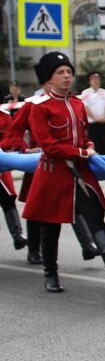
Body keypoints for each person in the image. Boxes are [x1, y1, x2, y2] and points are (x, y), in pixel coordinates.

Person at [22, 52, 105, 291]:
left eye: (69, 72)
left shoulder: (77, 104)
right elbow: (48, 144)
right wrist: (80, 152)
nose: (66, 76)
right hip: (54, 174)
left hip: (79, 175)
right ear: (49, 79)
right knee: (51, 227)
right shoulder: (39, 107)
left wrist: (89, 145)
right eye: (60, 72)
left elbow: (83, 136)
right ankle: (51, 274)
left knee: (95, 215)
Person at [2, 80, 101, 265]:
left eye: (68, 74)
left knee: (72, 203)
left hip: (69, 162)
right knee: (38, 209)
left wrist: (85, 147)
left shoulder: (72, 103)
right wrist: (24, 150)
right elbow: (13, 133)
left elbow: (81, 133)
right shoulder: (33, 105)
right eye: (56, 76)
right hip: (41, 164)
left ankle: (87, 245)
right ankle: (33, 250)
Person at [0, 101, 27, 250]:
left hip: (0, 164)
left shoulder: (3, 116)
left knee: (7, 198)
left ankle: (17, 235)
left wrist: (2, 147)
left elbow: (10, 136)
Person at [79, 72, 105, 155]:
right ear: (90, 81)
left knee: (104, 144)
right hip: (92, 123)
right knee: (93, 143)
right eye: (94, 80)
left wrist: (104, 117)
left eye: (98, 80)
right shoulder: (85, 93)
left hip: (103, 122)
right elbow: (85, 107)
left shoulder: (103, 92)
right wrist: (95, 118)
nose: (96, 82)